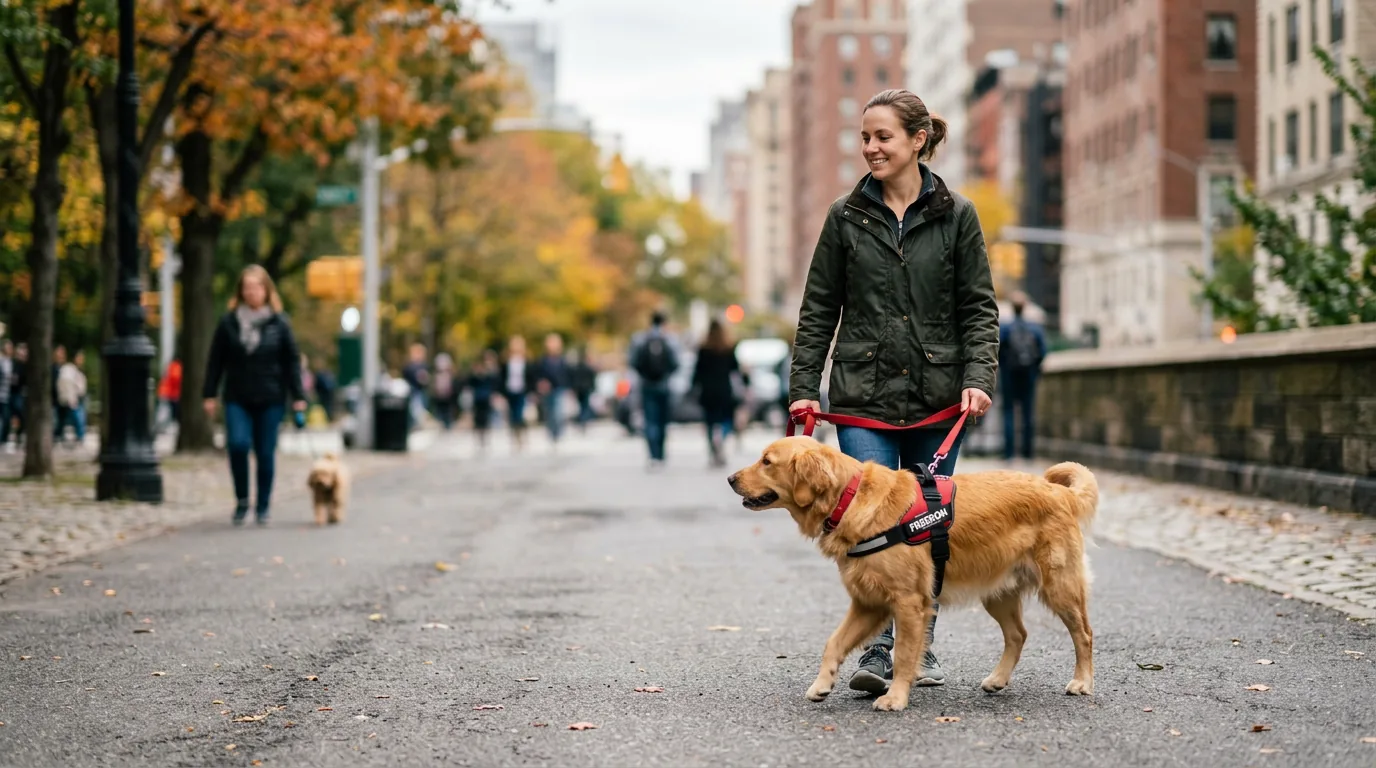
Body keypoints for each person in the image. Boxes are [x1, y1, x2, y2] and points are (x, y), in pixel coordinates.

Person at [788, 89, 999, 697]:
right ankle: (883, 649)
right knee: (868, 524)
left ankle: (917, 644)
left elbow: (978, 308)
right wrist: (804, 388)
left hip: (938, 395)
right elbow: (818, 310)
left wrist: (978, 378)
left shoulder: (957, 214)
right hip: (862, 398)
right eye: (865, 137)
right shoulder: (845, 216)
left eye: (882, 137)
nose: (871, 148)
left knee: (925, 528)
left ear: (917, 140)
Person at [203, 265, 308, 526]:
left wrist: (298, 396)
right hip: (237, 396)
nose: (252, 292)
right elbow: (215, 360)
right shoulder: (228, 323)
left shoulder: (280, 322)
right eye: (247, 287)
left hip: (271, 397)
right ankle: (242, 501)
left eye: (257, 287)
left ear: (266, 290)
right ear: (241, 291)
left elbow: (291, 361)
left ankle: (263, 506)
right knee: (237, 445)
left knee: (265, 452)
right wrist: (209, 393)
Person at [999, 291, 1047, 461]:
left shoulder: (1005, 328)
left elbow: (997, 350)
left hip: (1009, 374)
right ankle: (1028, 452)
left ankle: (1009, 452)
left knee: (1008, 411)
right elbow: (1042, 352)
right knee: (1028, 412)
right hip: (1029, 374)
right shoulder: (1035, 328)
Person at [629, 310, 680, 469]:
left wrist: (645, 376)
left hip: (647, 386)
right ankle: (661, 454)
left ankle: (653, 455)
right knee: (662, 422)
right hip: (664, 386)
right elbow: (676, 363)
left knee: (650, 421)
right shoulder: (670, 339)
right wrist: (665, 375)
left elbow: (633, 362)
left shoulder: (640, 339)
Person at [692, 319, 742, 467]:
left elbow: (698, 371)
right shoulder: (728, 348)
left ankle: (713, 449)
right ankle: (721, 436)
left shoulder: (703, 349)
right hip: (724, 389)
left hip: (707, 391)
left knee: (709, 421)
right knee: (726, 418)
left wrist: (693, 387)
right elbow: (735, 369)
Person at [533, 333, 572, 445]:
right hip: (547, 390)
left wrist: (569, 388)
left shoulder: (562, 360)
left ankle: (558, 432)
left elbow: (567, 375)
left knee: (558, 412)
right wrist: (541, 383)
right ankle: (551, 433)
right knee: (549, 412)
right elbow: (538, 374)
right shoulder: (543, 360)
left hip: (559, 388)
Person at [501, 335, 533, 452]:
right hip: (510, 391)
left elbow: (530, 377)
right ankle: (515, 436)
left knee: (519, 414)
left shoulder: (526, 360)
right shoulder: (506, 361)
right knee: (512, 415)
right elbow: (502, 377)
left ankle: (521, 436)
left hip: (522, 391)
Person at [467, 348, 501, 451]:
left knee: (486, 418)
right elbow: (471, 382)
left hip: (487, 398)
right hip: (478, 398)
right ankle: (479, 438)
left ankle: (485, 439)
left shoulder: (493, 371)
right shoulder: (478, 369)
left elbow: (496, 383)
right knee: (478, 419)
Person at [55, 349, 88, 447]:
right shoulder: (68, 370)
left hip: (76, 398)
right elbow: (66, 385)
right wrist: (70, 398)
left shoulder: (77, 370)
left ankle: (58, 434)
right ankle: (79, 436)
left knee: (63, 418)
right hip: (71, 398)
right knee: (77, 417)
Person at [402, 343, 430, 430]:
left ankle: (418, 425)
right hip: (413, 392)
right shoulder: (410, 366)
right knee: (415, 410)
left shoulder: (424, 366)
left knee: (419, 410)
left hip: (420, 391)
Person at [570, 347, 597, 434]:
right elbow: (592, 379)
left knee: (581, 406)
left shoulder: (576, 368)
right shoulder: (588, 368)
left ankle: (582, 420)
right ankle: (583, 420)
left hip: (579, 389)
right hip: (586, 389)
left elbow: (574, 380)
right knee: (585, 406)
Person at [431, 353, 459, 431]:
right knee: (440, 411)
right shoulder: (436, 375)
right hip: (439, 396)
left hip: (448, 396)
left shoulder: (450, 374)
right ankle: (441, 423)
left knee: (448, 411)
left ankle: (448, 424)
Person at [8, 342, 26, 453]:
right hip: (15, 394)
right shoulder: (14, 364)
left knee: (21, 415)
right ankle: (14, 435)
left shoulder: (27, 366)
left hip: (22, 394)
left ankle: (18, 435)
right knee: (16, 414)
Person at [157, 357, 183, 433]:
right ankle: (163, 427)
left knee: (165, 410)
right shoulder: (176, 367)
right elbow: (176, 378)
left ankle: (162, 427)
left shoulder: (171, 366)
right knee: (167, 411)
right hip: (170, 393)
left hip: (167, 392)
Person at [0, 340, 12, 450]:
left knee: (6, 418)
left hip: (7, 395)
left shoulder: (11, 362)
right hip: (1, 394)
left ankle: (3, 439)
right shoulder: (1, 361)